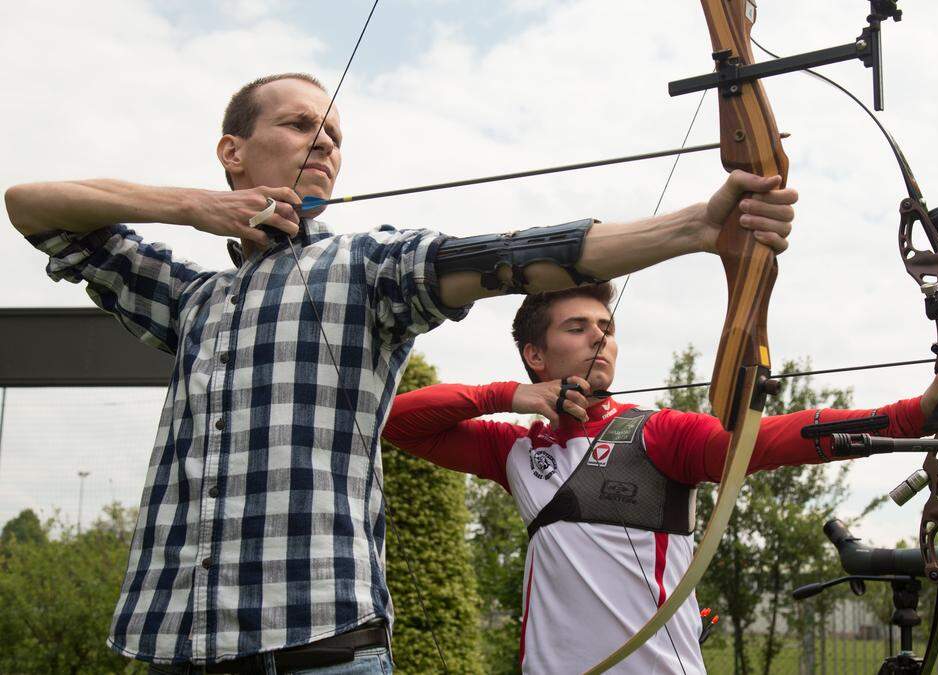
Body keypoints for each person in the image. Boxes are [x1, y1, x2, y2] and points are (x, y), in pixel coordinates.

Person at [3, 72, 797, 673]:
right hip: (176, 641)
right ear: (233, 152)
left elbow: (513, 258)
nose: (324, 143)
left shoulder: (363, 268)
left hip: (321, 645)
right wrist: (194, 208)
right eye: (300, 124)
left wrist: (697, 226)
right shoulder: (189, 299)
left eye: (335, 134)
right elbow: (30, 204)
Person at [382, 282, 938, 673]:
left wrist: (913, 414)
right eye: (578, 327)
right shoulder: (513, 449)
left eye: (608, 327)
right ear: (536, 356)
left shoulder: (657, 432)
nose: (601, 335)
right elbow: (397, 422)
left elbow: (773, 439)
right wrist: (510, 395)